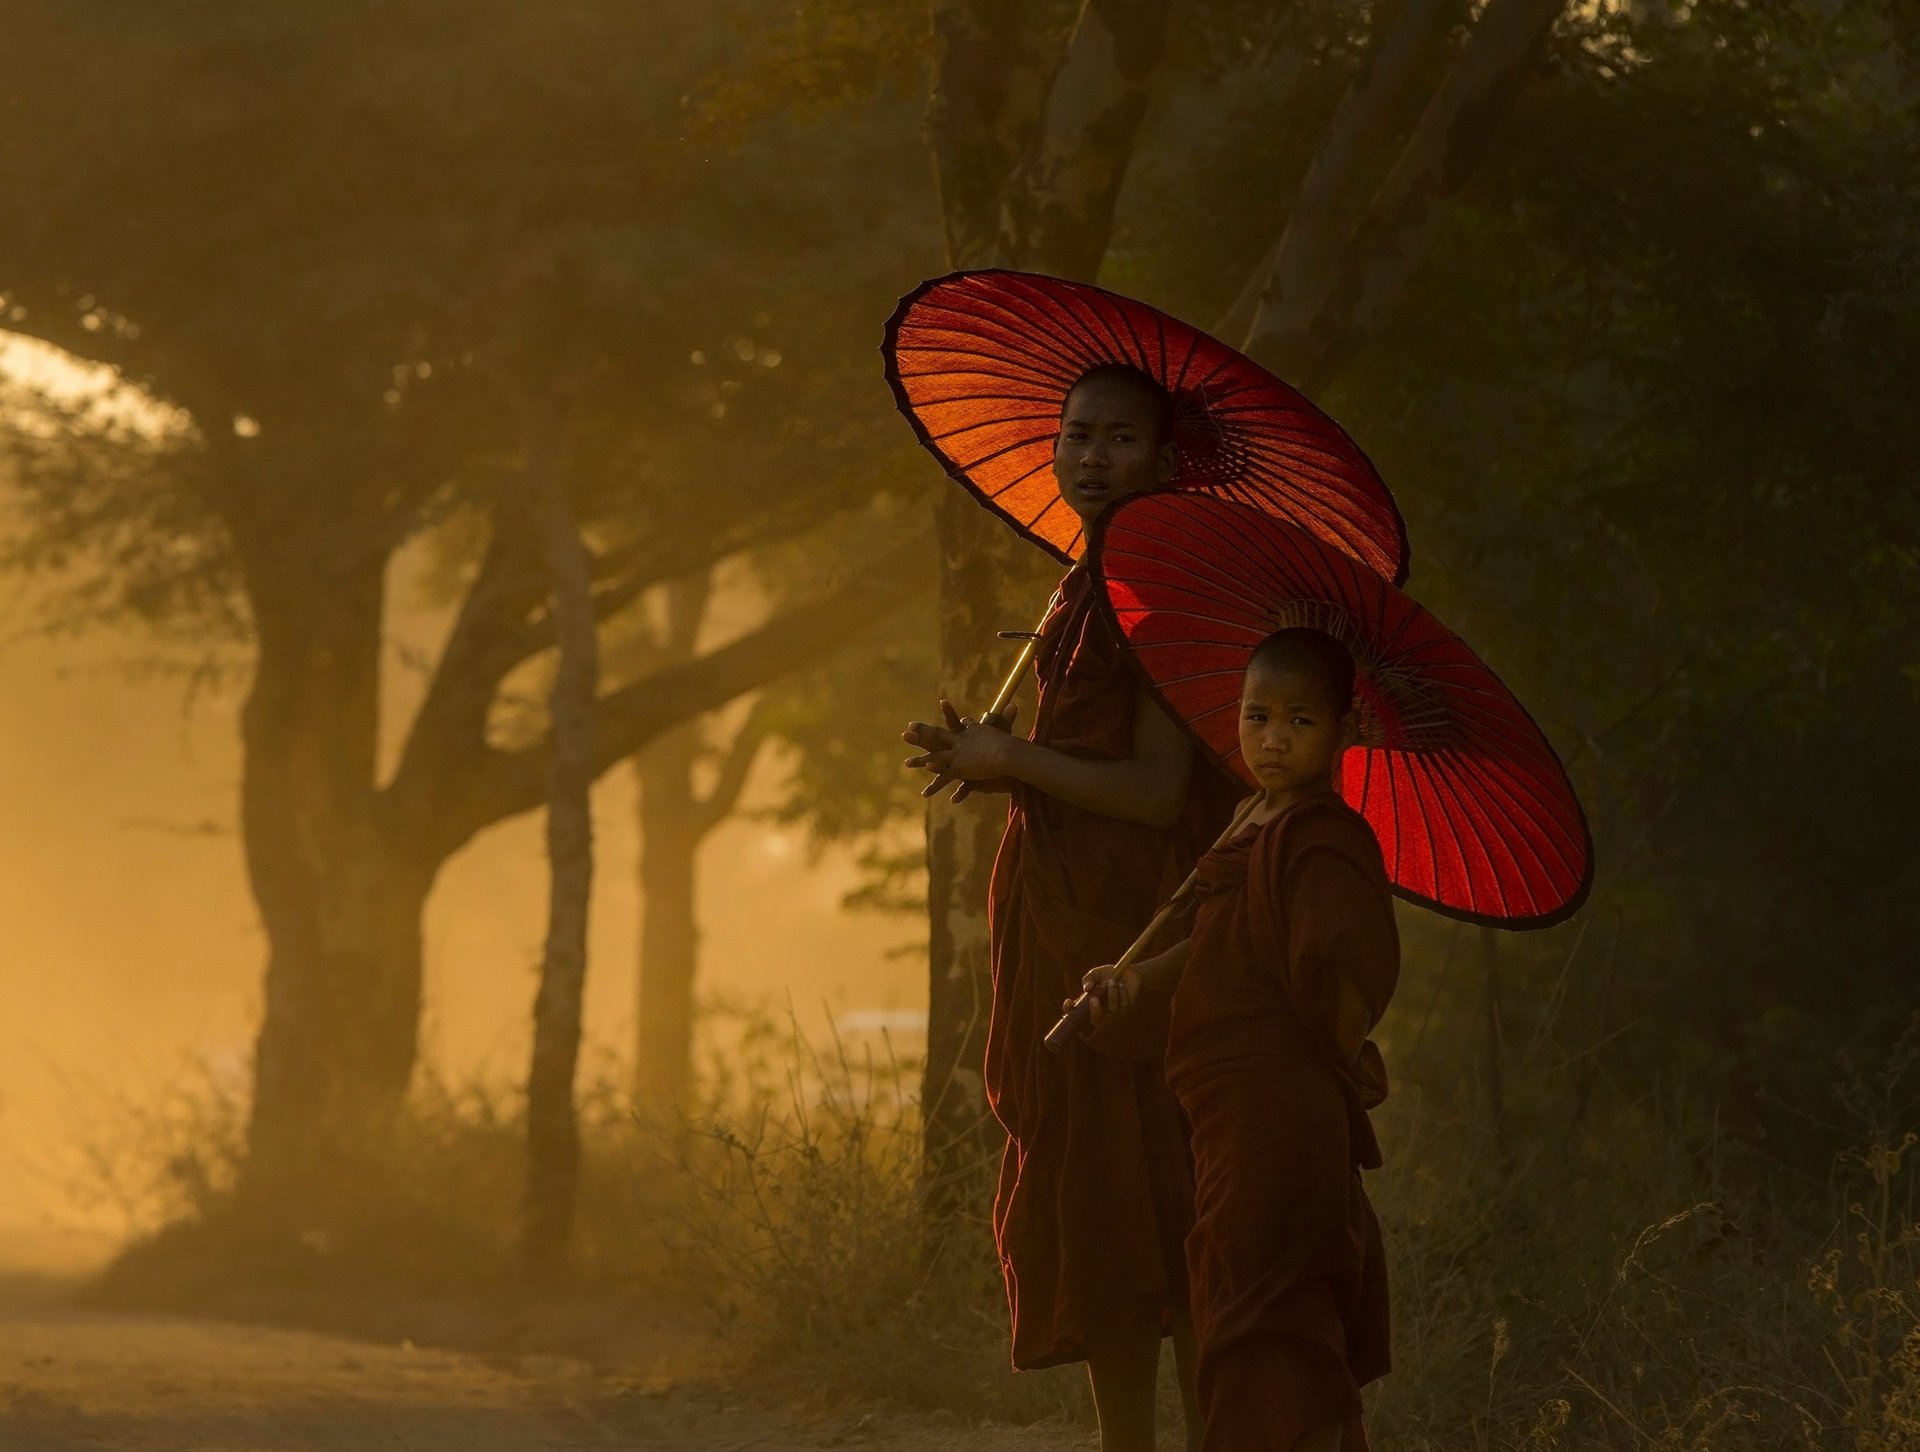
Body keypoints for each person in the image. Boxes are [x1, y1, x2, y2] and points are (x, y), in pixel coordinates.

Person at [903, 364, 1242, 1452]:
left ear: (1164, 459)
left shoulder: (1158, 588)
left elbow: (1154, 793)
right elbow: (1077, 761)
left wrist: (1018, 758)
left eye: (1121, 440)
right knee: (1095, 1209)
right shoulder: (1084, 582)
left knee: (1161, 1202)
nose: (1091, 457)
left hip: (1133, 939)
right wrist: (998, 761)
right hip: (1065, 919)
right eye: (1077, 435)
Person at [1081, 627, 1399, 1452]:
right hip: (1224, 1108)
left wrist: (1303, 1070)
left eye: (1300, 720)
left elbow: (1347, 985)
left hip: (1280, 1112)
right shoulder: (1247, 823)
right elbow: (1222, 945)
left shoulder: (1324, 838)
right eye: (1258, 717)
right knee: (1232, 1298)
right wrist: (1135, 979)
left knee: (1272, 1309)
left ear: (1344, 729)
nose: (1273, 739)